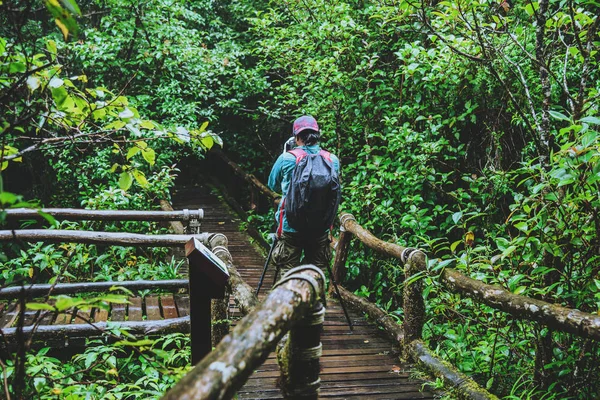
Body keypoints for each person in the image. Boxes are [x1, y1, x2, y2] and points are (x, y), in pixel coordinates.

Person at [267, 115, 341, 277]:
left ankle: (290, 300)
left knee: (288, 269)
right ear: (317, 135)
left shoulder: (287, 158)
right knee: (317, 271)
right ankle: (315, 300)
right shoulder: (332, 160)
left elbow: (272, 184)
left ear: (297, 136)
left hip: (291, 224)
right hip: (320, 226)